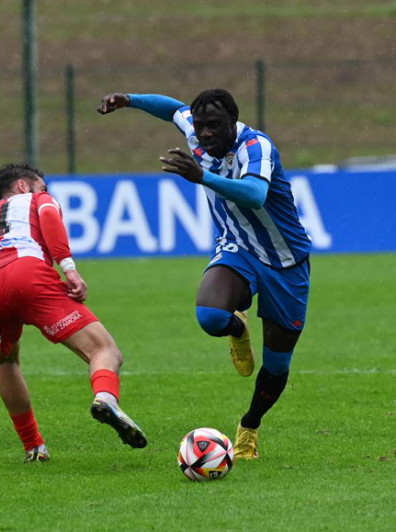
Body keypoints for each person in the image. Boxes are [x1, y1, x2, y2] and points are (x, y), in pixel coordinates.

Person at [98, 89, 311, 459]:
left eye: (215, 126)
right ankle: (236, 327)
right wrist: (129, 100)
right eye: (201, 127)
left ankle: (250, 425)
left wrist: (202, 178)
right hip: (238, 249)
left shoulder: (255, 147)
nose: (206, 133)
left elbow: (256, 194)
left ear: (234, 122)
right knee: (210, 316)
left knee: (276, 365)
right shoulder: (195, 131)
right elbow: (172, 109)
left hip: (285, 261)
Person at [0, 162, 147, 463]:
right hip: (29, 277)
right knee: (104, 349)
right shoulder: (37, 199)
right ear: (23, 186)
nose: (46, 192)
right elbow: (50, 215)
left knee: (6, 360)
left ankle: (34, 447)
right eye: (43, 186)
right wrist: (69, 268)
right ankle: (106, 399)